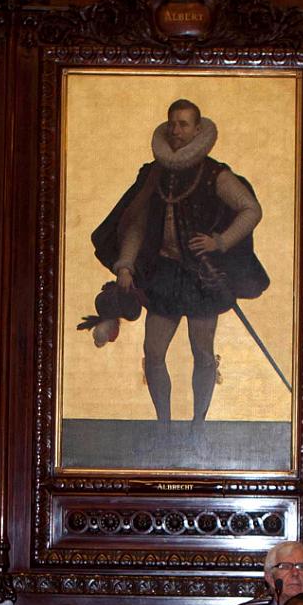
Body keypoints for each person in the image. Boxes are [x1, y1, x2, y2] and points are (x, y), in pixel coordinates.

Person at [91, 99, 266, 432]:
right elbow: (137, 225)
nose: (176, 130)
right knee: (153, 352)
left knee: (202, 352)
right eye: (172, 124)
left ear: (198, 130)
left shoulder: (215, 173)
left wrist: (220, 242)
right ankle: (164, 425)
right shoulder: (154, 174)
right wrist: (126, 263)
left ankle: (198, 424)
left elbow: (250, 210)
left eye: (184, 124)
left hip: (201, 277)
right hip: (165, 275)